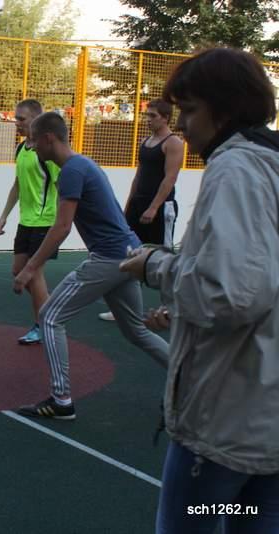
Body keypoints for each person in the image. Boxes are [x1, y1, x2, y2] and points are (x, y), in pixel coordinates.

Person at [119, 47, 279, 534]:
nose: (183, 125)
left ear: (224, 110)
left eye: (189, 110)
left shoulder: (235, 169)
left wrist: (155, 266)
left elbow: (231, 295)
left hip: (226, 420)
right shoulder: (270, 164)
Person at [13, 112, 169, 420]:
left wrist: (30, 268)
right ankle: (190, 376)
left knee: (50, 317)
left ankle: (61, 400)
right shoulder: (84, 164)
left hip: (110, 258)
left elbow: (61, 227)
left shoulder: (71, 171)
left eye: (34, 141)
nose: (31, 147)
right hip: (129, 254)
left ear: (48, 139)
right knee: (135, 330)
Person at [99, 99, 183, 321]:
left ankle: (169, 310)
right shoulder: (145, 142)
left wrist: (154, 207)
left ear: (166, 118)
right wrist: (129, 206)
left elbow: (170, 178)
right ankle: (123, 309)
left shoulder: (173, 143)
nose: (148, 119)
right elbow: (139, 176)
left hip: (161, 208)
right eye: (147, 115)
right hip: (139, 205)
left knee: (163, 256)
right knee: (129, 253)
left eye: (153, 116)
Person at [0, 99, 60, 345]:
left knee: (33, 274)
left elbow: (61, 186)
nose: (17, 123)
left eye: (21, 119)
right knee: (17, 270)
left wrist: (63, 220)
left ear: (36, 120)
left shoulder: (48, 152)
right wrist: (4, 215)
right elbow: (18, 184)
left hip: (45, 221)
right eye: (16, 118)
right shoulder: (22, 148)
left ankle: (42, 325)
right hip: (26, 221)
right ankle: (51, 310)